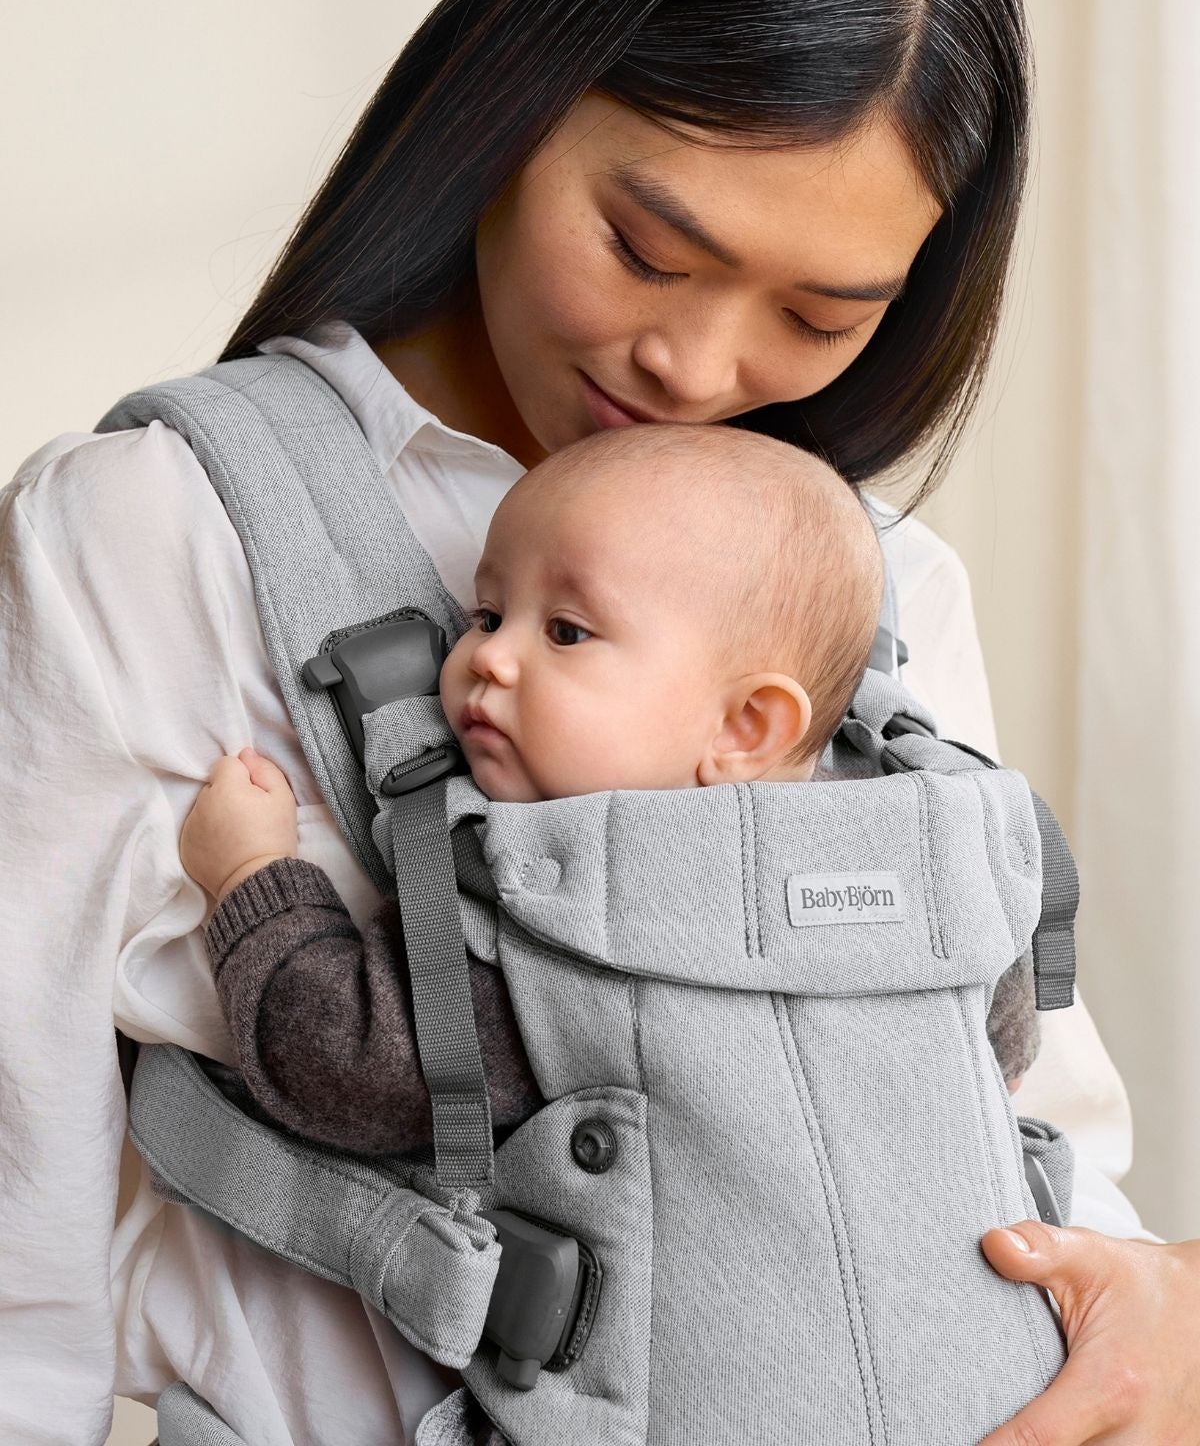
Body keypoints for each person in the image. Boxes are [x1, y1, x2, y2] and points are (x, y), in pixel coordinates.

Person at [1, 0, 1196, 1446]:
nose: (698, 371)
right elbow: (23, 1185)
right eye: (645, 249)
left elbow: (1039, 1134)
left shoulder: (885, 590)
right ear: (508, 104)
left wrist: (1163, 1322)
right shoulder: (159, 530)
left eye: (819, 314)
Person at [174, 423, 1039, 1178]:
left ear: (744, 726)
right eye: (485, 614)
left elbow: (349, 1066)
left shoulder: (563, 911)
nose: (488, 659)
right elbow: (1004, 1028)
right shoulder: (917, 840)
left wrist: (250, 875)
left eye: (566, 632)